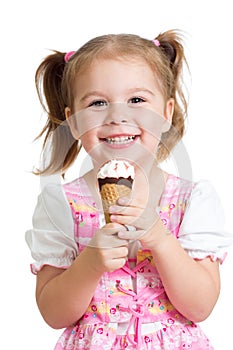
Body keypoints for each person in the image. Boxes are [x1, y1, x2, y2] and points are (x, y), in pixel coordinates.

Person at [26, 30, 232, 350]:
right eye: (97, 103)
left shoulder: (191, 200)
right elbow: (54, 314)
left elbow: (201, 306)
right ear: (75, 123)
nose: (117, 116)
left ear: (165, 113)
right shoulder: (61, 204)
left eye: (136, 100)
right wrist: (90, 263)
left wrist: (160, 238)